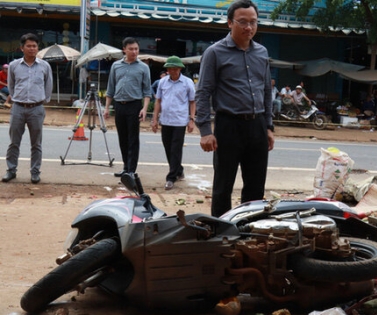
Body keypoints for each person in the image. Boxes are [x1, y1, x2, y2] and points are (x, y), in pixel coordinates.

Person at [195, 0, 274, 217]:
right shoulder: (214, 52)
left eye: (253, 22)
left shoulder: (262, 53)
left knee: (255, 186)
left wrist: (268, 126)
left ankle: (250, 229)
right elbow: (203, 92)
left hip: (257, 126)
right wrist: (205, 131)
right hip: (228, 126)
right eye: (242, 22)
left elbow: (266, 92)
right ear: (230, 23)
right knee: (223, 185)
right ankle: (221, 232)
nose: (249, 27)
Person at [2, 33, 52, 184]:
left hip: (36, 109)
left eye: (34, 46)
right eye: (28, 46)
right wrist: (16, 98)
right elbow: (11, 85)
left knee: (36, 143)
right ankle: (11, 170)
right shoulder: (14, 66)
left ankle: (35, 172)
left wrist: (44, 101)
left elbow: (48, 85)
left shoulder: (44, 66)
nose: (32, 49)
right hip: (18, 108)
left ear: (38, 48)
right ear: (22, 48)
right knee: (14, 142)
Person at [104, 37, 153, 177]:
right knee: (122, 138)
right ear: (124, 49)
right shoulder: (116, 66)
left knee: (133, 139)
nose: (134, 51)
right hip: (119, 105)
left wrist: (144, 109)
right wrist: (107, 108)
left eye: (136, 49)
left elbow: (147, 91)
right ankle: (126, 167)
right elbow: (110, 88)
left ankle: (131, 170)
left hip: (134, 105)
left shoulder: (143, 67)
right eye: (131, 49)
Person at [151, 56, 196, 190]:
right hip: (166, 120)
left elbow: (192, 102)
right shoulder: (162, 82)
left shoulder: (187, 82)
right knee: (168, 148)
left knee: (176, 149)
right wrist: (154, 119)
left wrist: (191, 119)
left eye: (175, 69)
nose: (172, 71)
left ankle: (171, 178)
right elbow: (158, 101)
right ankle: (179, 170)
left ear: (180, 69)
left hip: (180, 120)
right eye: (170, 69)